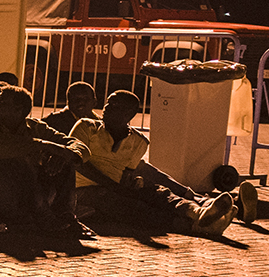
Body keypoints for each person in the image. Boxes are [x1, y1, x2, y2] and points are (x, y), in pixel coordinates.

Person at [70, 90, 240, 236]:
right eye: (108, 103)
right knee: (131, 206)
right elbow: (77, 163)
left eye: (115, 106)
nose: (107, 109)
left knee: (157, 192)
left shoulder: (138, 141)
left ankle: (197, 212)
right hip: (83, 190)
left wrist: (132, 183)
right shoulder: (86, 127)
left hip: (115, 186)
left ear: (128, 114)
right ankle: (194, 225)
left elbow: (127, 172)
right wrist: (114, 186)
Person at [0, 86, 87, 231]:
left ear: (19, 110)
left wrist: (66, 154)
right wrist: (43, 146)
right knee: (18, 159)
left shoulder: (34, 127)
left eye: (2, 103)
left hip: (27, 197)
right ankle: (46, 218)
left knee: (63, 160)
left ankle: (65, 215)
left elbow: (79, 146)